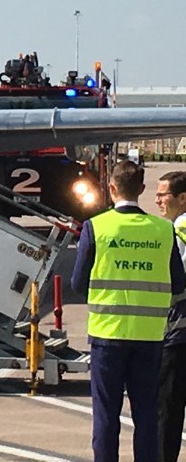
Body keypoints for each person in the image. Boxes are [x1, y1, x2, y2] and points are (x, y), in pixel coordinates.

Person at [71, 159, 185, 462]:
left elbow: (77, 283)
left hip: (107, 336)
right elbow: (177, 284)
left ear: (110, 189)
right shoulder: (163, 231)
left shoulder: (96, 228)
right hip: (149, 339)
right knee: (147, 416)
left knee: (106, 417)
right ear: (143, 189)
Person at [157, 170, 186, 462]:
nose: (157, 201)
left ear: (182, 198)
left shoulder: (177, 232)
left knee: (168, 414)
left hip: (178, 334)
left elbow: (177, 285)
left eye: (163, 195)